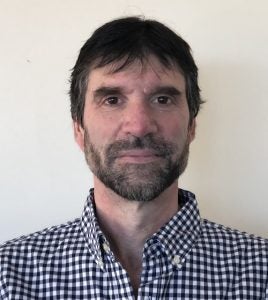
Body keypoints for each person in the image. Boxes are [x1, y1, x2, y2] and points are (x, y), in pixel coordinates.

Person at [0, 16, 267, 300]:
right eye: (112, 99)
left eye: (162, 99)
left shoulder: (261, 274)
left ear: (191, 126)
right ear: (79, 129)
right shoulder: (9, 277)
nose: (139, 126)